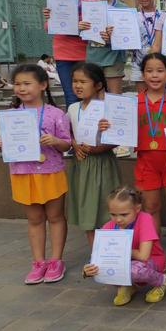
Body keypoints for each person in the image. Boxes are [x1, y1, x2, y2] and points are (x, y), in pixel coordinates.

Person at [0, 64, 71, 284]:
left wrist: (56, 141)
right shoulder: (11, 116)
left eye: (27, 83)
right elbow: (10, 147)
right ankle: (38, 262)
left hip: (51, 172)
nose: (21, 88)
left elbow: (67, 144)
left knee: (55, 217)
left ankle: (55, 260)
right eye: (17, 84)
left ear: (43, 85)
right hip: (23, 173)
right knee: (34, 219)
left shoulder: (56, 114)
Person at [115, 53, 166, 270]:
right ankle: (155, 252)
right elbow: (121, 130)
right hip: (146, 160)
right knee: (150, 207)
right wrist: (110, 126)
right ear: (142, 75)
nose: (154, 75)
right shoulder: (133, 103)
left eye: (160, 71)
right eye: (149, 71)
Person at [81, 186, 166, 305]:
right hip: (127, 261)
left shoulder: (145, 219)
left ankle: (162, 281)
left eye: (124, 214)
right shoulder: (108, 226)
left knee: (134, 270)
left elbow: (143, 256)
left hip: (152, 260)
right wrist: (88, 269)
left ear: (137, 208)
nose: (118, 219)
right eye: (113, 214)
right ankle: (127, 285)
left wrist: (120, 251)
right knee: (104, 268)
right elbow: (99, 256)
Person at [66, 63, 121, 246]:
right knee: (87, 211)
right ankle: (95, 252)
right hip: (82, 165)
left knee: (108, 209)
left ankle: (111, 252)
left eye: (83, 82)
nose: (77, 86)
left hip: (103, 164)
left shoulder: (108, 108)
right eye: (75, 81)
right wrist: (74, 144)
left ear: (98, 85)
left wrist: (101, 147)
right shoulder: (73, 108)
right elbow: (67, 133)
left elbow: (117, 138)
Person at [43, 0, 95, 106]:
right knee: (71, 97)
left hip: (86, 54)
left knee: (88, 97)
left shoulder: (92, 0)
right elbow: (48, 28)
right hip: (63, 54)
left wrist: (86, 27)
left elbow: (97, 31)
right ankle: (72, 122)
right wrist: (49, 18)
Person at [85, 0, 127, 94]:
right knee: (95, 98)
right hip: (93, 58)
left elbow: (128, 39)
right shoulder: (89, 7)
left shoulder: (123, 9)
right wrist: (81, 28)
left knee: (114, 97)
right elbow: (84, 34)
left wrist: (112, 39)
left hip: (114, 59)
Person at [133, 0, 160, 93]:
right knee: (142, 98)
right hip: (138, 64)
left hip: (160, 63)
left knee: (161, 97)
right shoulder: (132, 17)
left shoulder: (164, 16)